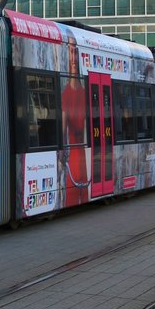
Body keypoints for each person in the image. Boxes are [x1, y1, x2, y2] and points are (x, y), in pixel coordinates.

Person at [61, 35, 89, 206]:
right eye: (70, 52)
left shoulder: (86, 93)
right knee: (73, 194)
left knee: (84, 194)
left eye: (75, 52)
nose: (73, 58)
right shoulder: (65, 95)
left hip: (85, 154)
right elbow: (62, 132)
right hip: (73, 155)